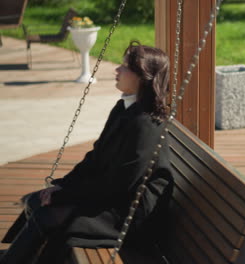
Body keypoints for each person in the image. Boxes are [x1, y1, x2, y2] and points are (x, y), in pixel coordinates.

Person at [0, 41, 174, 264]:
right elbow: (95, 157)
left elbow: (120, 184)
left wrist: (65, 195)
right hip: (114, 200)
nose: (117, 70)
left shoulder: (146, 124)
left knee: (48, 215)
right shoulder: (124, 108)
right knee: (36, 201)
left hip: (132, 214)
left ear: (143, 77)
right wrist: (63, 185)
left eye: (125, 67)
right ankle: (22, 257)